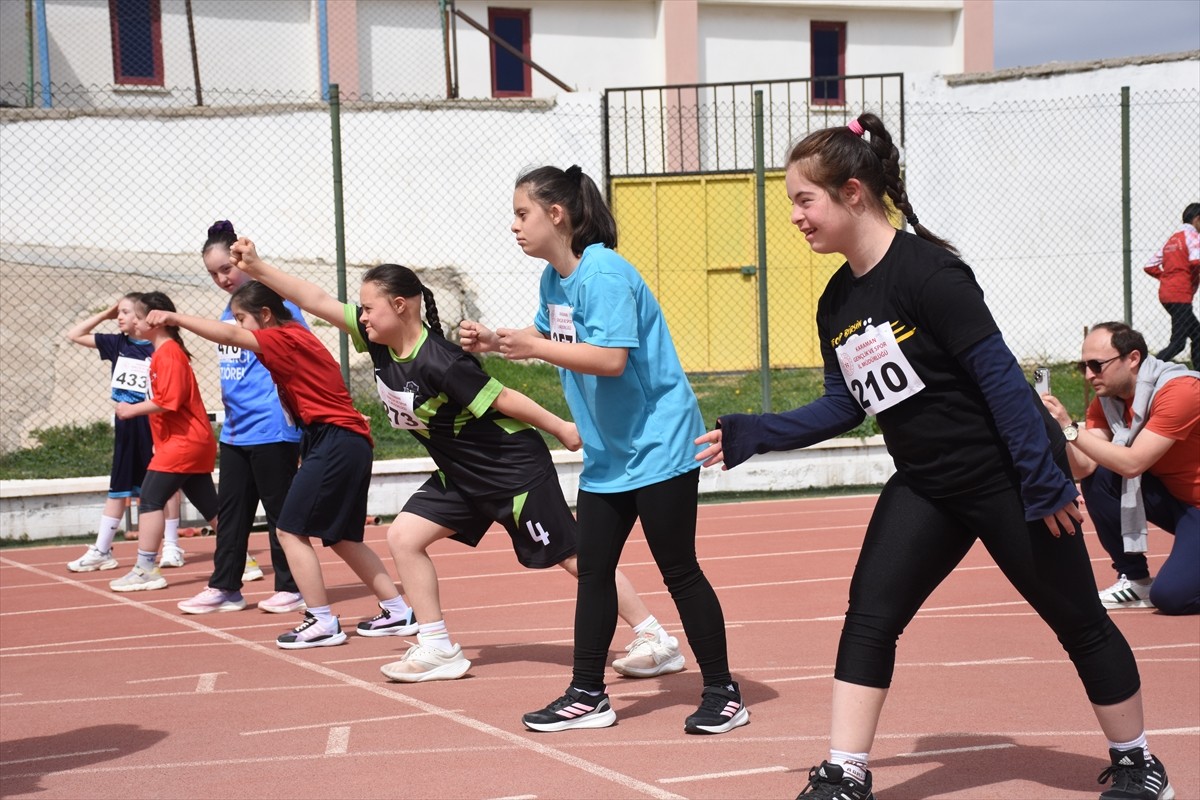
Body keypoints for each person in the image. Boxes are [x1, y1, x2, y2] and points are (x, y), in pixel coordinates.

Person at [693, 115, 1171, 799]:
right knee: (870, 615)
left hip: (1007, 478)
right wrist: (754, 433)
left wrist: (1043, 483)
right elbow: (845, 405)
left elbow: (1002, 383)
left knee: (1078, 622)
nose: (794, 216)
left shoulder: (931, 274)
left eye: (804, 199)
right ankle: (845, 773)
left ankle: (1138, 763)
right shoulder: (838, 300)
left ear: (852, 192)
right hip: (926, 485)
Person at [224, 249, 684, 682]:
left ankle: (654, 637)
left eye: (368, 308)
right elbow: (317, 299)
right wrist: (259, 267)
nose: (360, 316)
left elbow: (503, 397)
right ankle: (437, 646)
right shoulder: (380, 342)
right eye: (360, 310)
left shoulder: (440, 361)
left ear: (401, 306)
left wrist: (561, 428)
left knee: (574, 557)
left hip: (511, 469)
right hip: (462, 474)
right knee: (404, 536)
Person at [460, 164, 748, 735]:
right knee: (593, 570)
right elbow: (551, 341)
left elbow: (611, 359)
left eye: (523, 214)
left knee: (678, 569)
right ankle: (587, 693)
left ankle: (724, 691)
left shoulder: (605, 273)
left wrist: (535, 344)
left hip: (659, 442)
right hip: (610, 454)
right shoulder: (554, 281)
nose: (514, 226)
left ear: (557, 215)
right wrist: (497, 341)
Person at [147, 280, 412, 650]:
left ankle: (321, 621)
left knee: (288, 530)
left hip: (337, 440)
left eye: (242, 318)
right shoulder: (292, 339)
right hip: (339, 440)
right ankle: (397, 609)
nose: (238, 327)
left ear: (266, 315)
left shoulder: (285, 336)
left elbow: (228, 335)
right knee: (340, 538)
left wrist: (175, 317)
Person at [176, 221, 305, 615]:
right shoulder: (229, 310)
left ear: (243, 259)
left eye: (226, 269)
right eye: (212, 273)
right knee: (232, 513)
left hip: (273, 428)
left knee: (281, 512)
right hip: (236, 430)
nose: (220, 278)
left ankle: (292, 586)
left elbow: (298, 358)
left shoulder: (279, 305)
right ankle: (225, 587)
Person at [1041, 322, 1198, 616]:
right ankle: (1135, 578)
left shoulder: (1181, 391)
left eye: (1097, 365)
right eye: (1083, 366)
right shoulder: (1108, 401)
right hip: (1181, 502)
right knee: (1100, 476)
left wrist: (1069, 427)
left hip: (1193, 506)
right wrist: (1054, 430)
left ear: (1133, 358)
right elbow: (1085, 467)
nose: (1089, 376)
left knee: (1172, 597)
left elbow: (1133, 463)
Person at [108, 292, 219, 593]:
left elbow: (169, 401)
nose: (133, 321)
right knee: (210, 505)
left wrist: (131, 409)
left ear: (155, 321)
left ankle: (146, 568)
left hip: (184, 443)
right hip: (186, 442)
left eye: (139, 317)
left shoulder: (168, 354)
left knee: (151, 499)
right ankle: (241, 557)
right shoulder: (162, 353)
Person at [64, 294, 183, 572]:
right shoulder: (116, 343)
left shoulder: (160, 347)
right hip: (127, 425)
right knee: (119, 487)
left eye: (125, 312)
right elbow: (75, 334)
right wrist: (106, 313)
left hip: (154, 423)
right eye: (118, 312)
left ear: (144, 317)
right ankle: (102, 549)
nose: (120, 316)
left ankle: (172, 545)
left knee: (165, 486)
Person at [1143, 203, 1200, 368]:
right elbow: (1196, 262)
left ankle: (1198, 373)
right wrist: (1192, 280)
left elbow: (1150, 265)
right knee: (1178, 343)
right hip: (1180, 295)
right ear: (1197, 219)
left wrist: (1167, 277)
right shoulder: (1194, 237)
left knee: (1197, 334)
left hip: (1167, 293)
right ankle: (1145, 369)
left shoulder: (1173, 239)